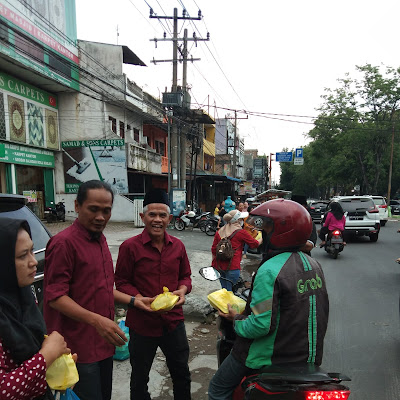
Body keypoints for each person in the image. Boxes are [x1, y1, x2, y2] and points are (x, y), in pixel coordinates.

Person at [208, 199, 329, 399]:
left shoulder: (270, 270)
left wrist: (236, 319)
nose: (262, 234)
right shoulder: (313, 264)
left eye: (266, 229)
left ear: (281, 232)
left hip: (269, 356)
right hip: (306, 356)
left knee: (217, 388)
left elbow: (260, 325)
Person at [43, 180, 130, 400]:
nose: (100, 217)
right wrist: (97, 321)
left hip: (103, 344)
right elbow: (55, 297)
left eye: (106, 211)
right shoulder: (63, 243)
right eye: (93, 209)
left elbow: (100, 289)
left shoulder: (100, 240)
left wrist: (136, 301)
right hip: (77, 350)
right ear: (77, 206)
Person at [115, 188, 192, 400]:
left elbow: (186, 276)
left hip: (174, 323)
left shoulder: (178, 246)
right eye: (152, 215)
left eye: (162, 215)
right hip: (142, 324)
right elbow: (121, 282)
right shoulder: (129, 247)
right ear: (143, 216)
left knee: (182, 375)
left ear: (170, 219)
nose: (157, 220)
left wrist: (183, 290)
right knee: (139, 379)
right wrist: (138, 298)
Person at [0, 217, 72, 399]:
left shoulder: (24, 295)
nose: (33, 262)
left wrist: (56, 363)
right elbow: (4, 390)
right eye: (22, 256)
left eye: (32, 251)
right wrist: (46, 356)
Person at [211, 209, 262, 291]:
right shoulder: (241, 232)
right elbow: (254, 244)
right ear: (237, 220)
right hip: (232, 267)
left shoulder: (220, 231)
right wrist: (262, 237)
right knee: (231, 293)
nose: (242, 221)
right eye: (241, 219)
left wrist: (213, 264)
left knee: (224, 291)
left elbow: (214, 249)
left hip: (218, 266)